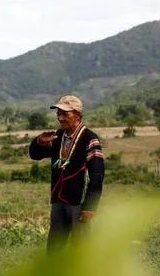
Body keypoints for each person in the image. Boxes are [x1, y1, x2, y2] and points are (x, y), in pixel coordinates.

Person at [28, 94, 105, 252]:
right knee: (55, 246)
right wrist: (39, 142)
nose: (60, 118)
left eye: (65, 113)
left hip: (79, 200)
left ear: (77, 115)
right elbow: (35, 155)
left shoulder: (89, 138)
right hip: (59, 198)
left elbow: (97, 174)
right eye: (58, 114)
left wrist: (90, 205)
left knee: (80, 247)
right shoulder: (57, 137)